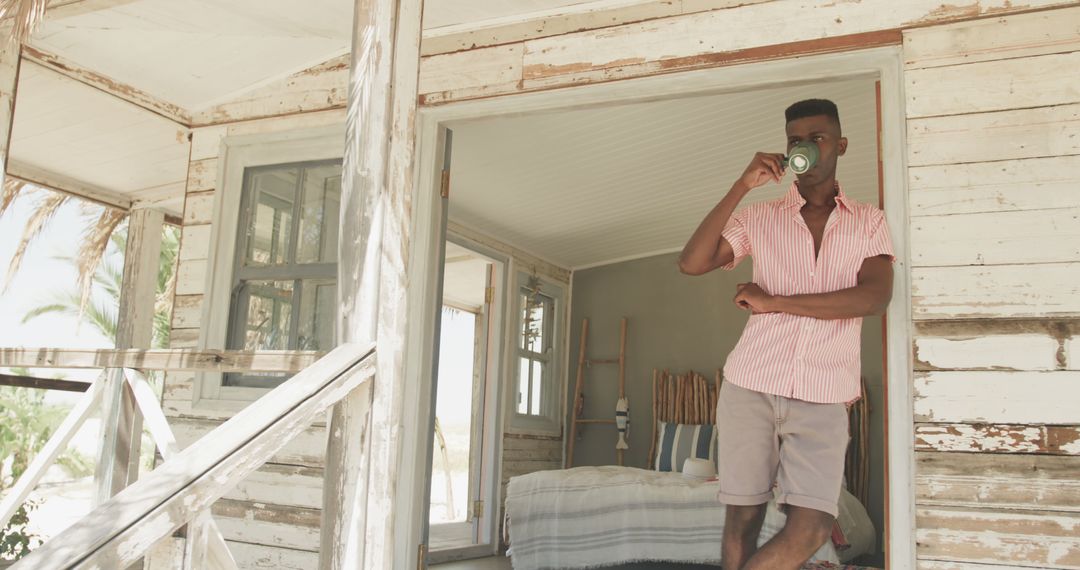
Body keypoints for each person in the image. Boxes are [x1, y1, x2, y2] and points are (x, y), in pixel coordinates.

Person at [677, 98, 894, 570]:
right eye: (796, 140)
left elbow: (872, 299)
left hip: (825, 394)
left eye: (816, 138)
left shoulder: (870, 221)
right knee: (743, 515)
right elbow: (692, 263)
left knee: (812, 525)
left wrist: (774, 302)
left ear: (840, 145)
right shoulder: (759, 218)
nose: (805, 147)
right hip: (750, 383)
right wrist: (742, 185)